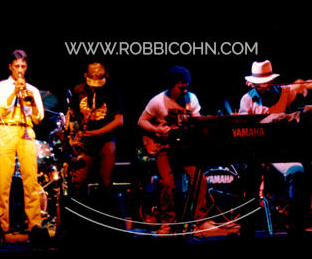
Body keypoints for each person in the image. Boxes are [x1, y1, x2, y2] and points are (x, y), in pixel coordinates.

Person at [238, 60, 312, 235]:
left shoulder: (285, 92)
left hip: (281, 153)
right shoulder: (247, 99)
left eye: (265, 82)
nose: (262, 87)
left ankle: (296, 227)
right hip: (256, 153)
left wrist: (302, 87)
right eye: (258, 83)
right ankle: (248, 229)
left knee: (297, 172)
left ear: (272, 81)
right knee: (249, 176)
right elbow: (243, 132)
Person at [137, 65, 215, 234]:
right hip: (164, 147)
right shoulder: (157, 101)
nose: (184, 90)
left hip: (184, 147)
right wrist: (157, 129)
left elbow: (197, 121)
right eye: (180, 87)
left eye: (186, 86)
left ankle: (200, 220)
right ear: (171, 86)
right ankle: (168, 222)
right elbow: (141, 121)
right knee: (167, 182)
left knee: (200, 179)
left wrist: (201, 125)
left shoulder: (191, 98)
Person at [0, 49, 45, 239]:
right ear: (10, 67)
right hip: (6, 129)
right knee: (2, 182)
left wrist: (32, 101)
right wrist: (14, 92)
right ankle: (0, 226)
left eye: (23, 66)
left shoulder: (33, 90)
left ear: (26, 67)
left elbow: (39, 118)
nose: (20, 70)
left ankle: (35, 226)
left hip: (26, 130)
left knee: (31, 182)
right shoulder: (0, 86)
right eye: (16, 66)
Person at [67, 62, 124, 213]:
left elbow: (119, 120)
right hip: (85, 142)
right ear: (85, 76)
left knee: (105, 180)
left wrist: (97, 131)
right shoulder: (78, 90)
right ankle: (81, 215)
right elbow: (72, 115)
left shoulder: (111, 91)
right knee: (78, 181)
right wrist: (72, 134)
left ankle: (104, 214)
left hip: (105, 141)